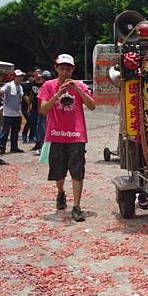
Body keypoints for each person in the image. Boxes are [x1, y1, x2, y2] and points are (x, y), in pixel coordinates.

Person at [38, 54, 95, 222]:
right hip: (56, 134)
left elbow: (92, 106)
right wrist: (57, 94)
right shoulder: (48, 85)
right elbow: (43, 110)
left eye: (68, 68)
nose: (64, 72)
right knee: (58, 171)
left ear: (72, 70)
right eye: (62, 68)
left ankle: (76, 206)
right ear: (56, 68)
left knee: (77, 171)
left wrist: (77, 89)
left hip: (77, 135)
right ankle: (61, 193)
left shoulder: (80, 85)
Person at [0, 69, 26, 154]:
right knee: (5, 132)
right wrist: (0, 91)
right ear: (14, 77)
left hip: (17, 113)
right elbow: (2, 91)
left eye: (21, 76)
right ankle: (1, 148)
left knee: (15, 131)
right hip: (8, 113)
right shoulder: (8, 85)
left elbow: (22, 97)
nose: (20, 78)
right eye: (19, 76)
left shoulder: (20, 87)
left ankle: (14, 147)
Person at [24, 68, 45, 151]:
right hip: (35, 108)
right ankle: (38, 143)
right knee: (36, 126)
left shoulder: (45, 83)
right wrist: (28, 107)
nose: (37, 73)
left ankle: (43, 143)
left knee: (43, 126)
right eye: (36, 72)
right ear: (33, 73)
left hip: (43, 108)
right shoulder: (32, 84)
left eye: (39, 71)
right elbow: (31, 96)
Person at [33, 70, 52, 155]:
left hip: (43, 112)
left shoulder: (43, 87)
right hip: (49, 112)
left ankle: (43, 149)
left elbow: (39, 101)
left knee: (42, 131)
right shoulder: (52, 86)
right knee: (47, 130)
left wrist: (39, 111)